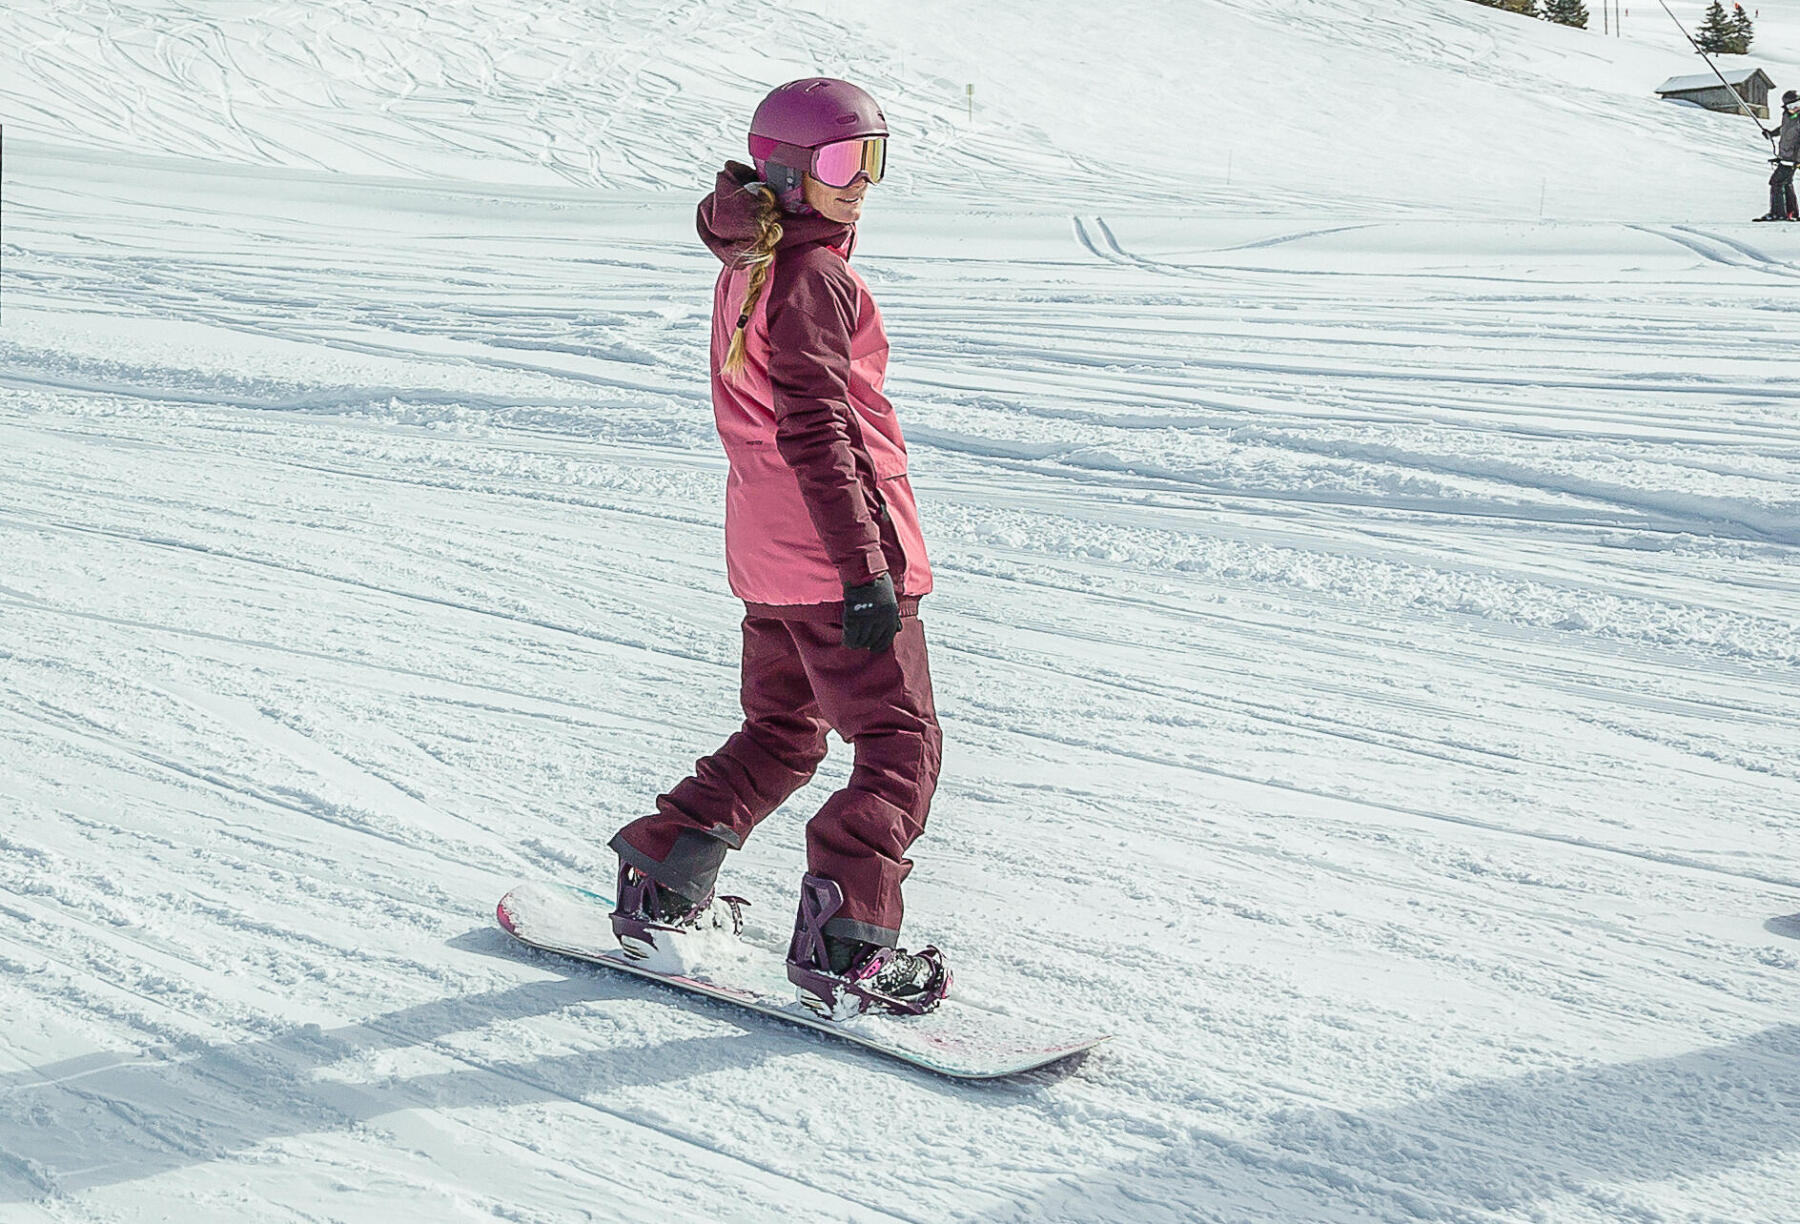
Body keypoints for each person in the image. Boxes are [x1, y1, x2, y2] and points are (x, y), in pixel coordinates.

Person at [605, 79, 950, 1020]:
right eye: (844, 163)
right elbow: (816, 432)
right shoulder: (812, 276)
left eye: (875, 159)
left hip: (768, 554)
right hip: (832, 552)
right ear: (790, 174)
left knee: (783, 731)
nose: (864, 182)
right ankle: (849, 947)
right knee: (896, 743)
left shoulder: (750, 260)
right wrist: (866, 569)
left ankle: (665, 875)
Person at [1756, 89, 1799, 222]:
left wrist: (1797, 160)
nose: (1796, 108)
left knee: (1776, 182)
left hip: (1793, 158)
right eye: (1791, 106)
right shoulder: (1787, 116)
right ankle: (1792, 213)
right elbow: (1783, 129)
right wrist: (1771, 133)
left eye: (1797, 104)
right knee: (1786, 182)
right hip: (1786, 157)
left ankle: (1778, 214)